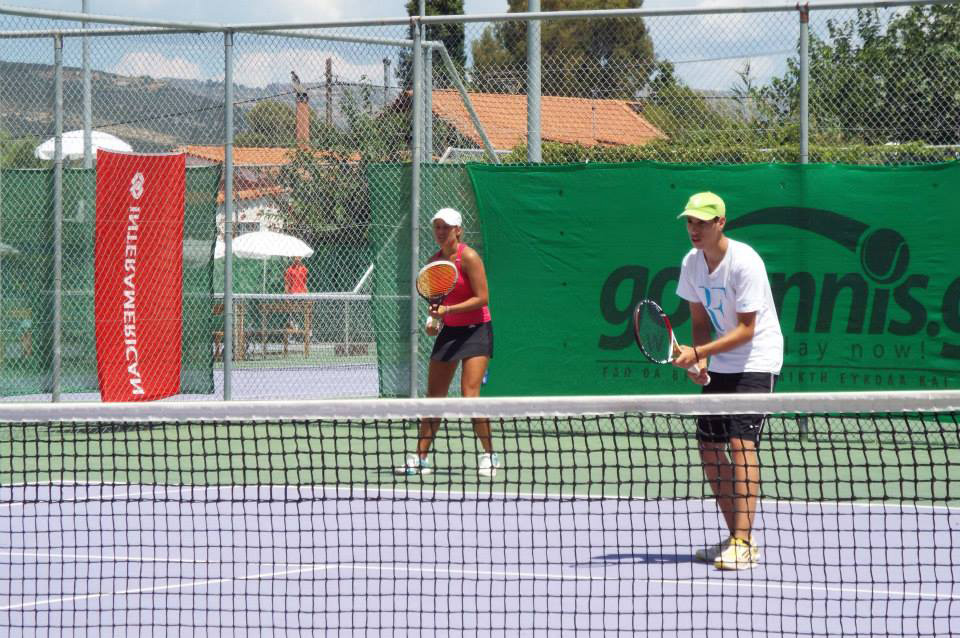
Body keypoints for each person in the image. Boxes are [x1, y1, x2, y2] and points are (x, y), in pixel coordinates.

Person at [671, 191, 783, 571]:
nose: (694, 229)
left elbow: (747, 330)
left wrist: (700, 352)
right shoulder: (691, 264)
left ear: (721, 222)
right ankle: (736, 535)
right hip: (722, 361)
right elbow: (699, 321)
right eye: (690, 222)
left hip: (758, 358)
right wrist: (701, 362)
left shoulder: (745, 262)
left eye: (702, 222)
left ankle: (743, 542)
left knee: (740, 442)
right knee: (708, 447)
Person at [394, 207, 499, 478]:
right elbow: (437, 305)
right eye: (437, 226)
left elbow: (482, 298)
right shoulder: (434, 263)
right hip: (450, 331)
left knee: (469, 395)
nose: (440, 231)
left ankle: (490, 455)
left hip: (477, 330)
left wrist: (448, 311)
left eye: (446, 227)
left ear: (458, 230)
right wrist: (434, 321)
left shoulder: (469, 257)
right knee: (434, 398)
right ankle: (421, 459)